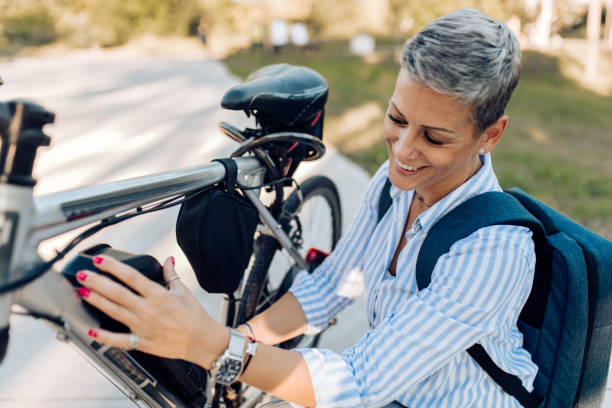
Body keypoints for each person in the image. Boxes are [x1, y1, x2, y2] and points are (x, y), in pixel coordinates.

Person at [75, 8, 535, 408]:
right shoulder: (395, 184)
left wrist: (212, 345)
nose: (403, 150)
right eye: (396, 118)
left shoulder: (494, 252)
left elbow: (359, 381)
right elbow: (333, 286)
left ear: (491, 134)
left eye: (434, 137)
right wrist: (240, 339)